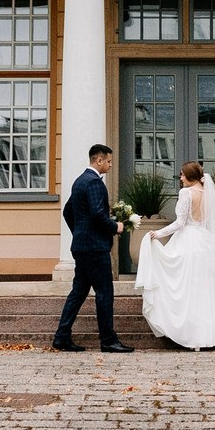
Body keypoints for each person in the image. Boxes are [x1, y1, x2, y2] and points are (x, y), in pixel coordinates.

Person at [135, 161, 215, 350]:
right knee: (202, 291)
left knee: (186, 289)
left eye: (182, 175)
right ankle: (206, 337)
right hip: (205, 244)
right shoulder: (207, 194)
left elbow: (180, 222)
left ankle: (191, 336)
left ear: (189, 176)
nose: (180, 178)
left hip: (188, 242)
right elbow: (213, 224)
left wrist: (158, 234)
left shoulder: (186, 193)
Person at [54, 143, 132, 353]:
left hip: (81, 246)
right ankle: (108, 340)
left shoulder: (80, 181)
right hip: (95, 248)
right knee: (104, 292)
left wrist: (80, 232)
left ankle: (61, 337)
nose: (110, 165)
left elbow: (68, 212)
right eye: (108, 161)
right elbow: (98, 214)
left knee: (79, 292)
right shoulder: (95, 183)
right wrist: (115, 227)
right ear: (99, 160)